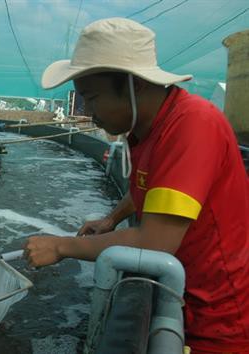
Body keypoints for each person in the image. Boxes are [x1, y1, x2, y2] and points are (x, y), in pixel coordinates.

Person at [23, 18, 249, 354]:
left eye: (92, 98)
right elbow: (153, 186)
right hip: (183, 298)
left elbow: (155, 242)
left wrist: (60, 247)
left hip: (221, 320)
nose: (87, 113)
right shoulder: (146, 129)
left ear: (135, 85)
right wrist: (112, 218)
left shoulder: (192, 124)